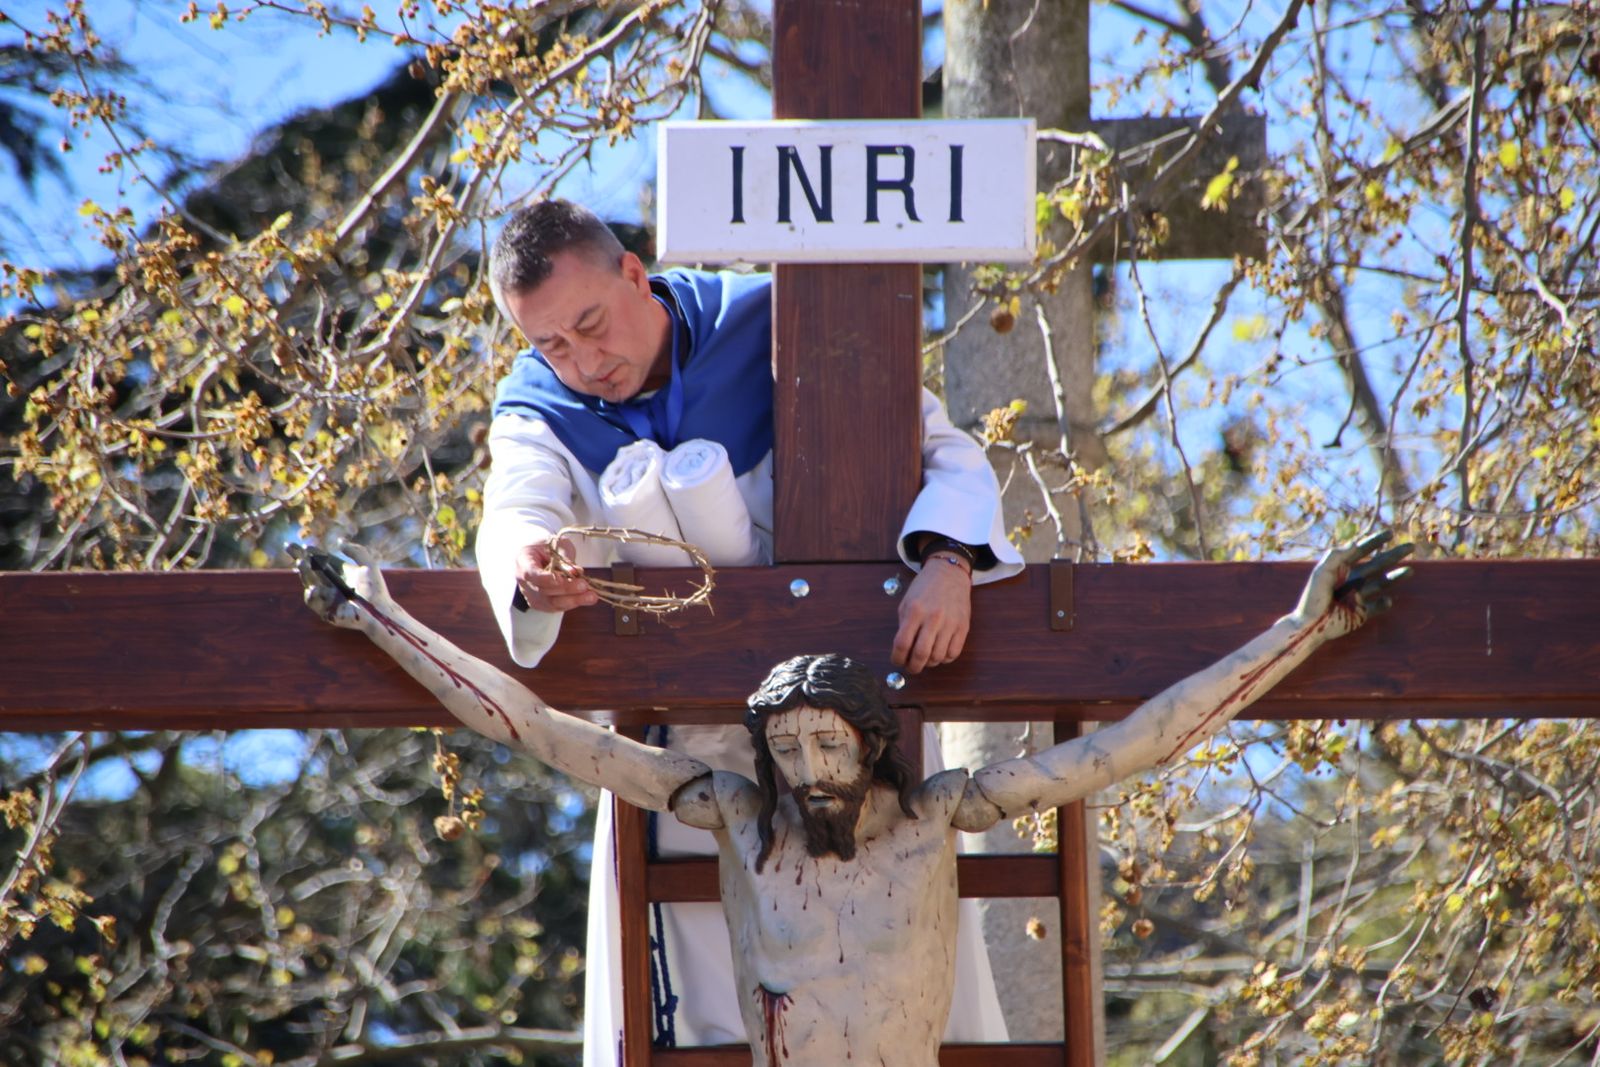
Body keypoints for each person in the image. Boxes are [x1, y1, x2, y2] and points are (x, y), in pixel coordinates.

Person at [295, 532, 1411, 1067]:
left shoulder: (938, 812)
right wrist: (377, 617)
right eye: (785, 749)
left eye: (828, 743)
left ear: (875, 749)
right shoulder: (737, 813)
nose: (808, 767)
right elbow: (540, 730)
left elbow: (1130, 746)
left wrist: (1305, 626)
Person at [473, 199, 1024, 1059]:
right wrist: (525, 566)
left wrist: (949, 559)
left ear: (633, 273)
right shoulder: (539, 409)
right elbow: (516, 508)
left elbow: (938, 447)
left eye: (590, 325)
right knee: (698, 1006)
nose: (583, 363)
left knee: (910, 991)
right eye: (552, 345)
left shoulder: (777, 323)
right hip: (685, 767)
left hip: (854, 739)